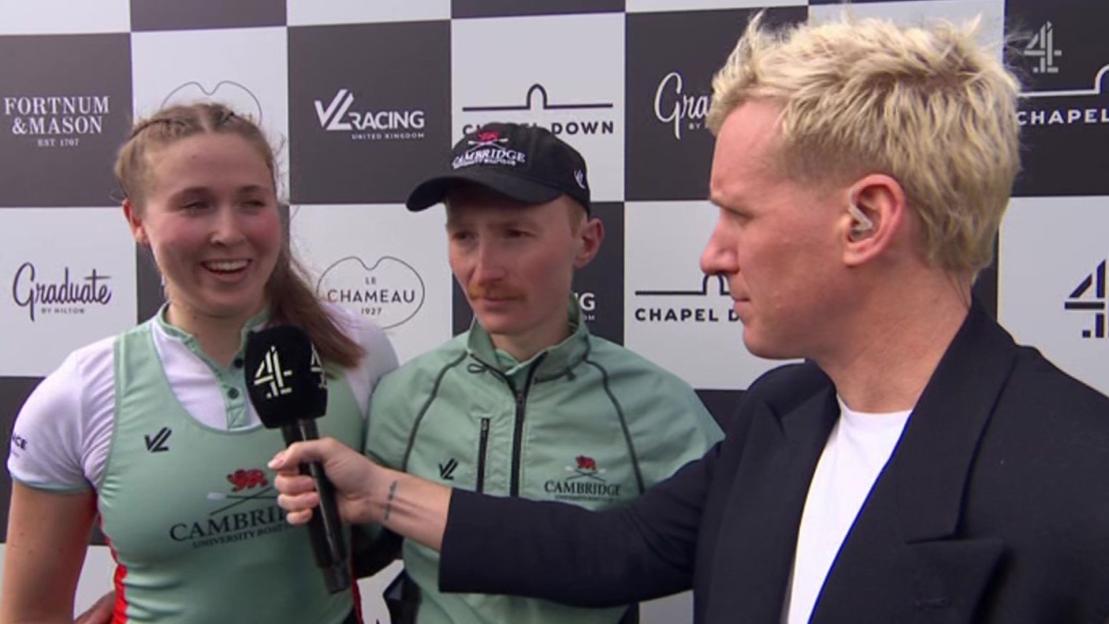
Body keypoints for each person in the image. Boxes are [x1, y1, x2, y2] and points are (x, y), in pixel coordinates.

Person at [271, 14, 1109, 624]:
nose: (711, 256)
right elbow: (609, 553)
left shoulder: (1081, 479)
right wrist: (377, 489)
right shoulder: (780, 417)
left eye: (737, 215)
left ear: (864, 221)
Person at [1, 102, 398, 624]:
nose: (229, 232)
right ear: (136, 221)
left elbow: (390, 539)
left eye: (251, 202)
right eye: (195, 206)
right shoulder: (78, 394)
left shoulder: (357, 349)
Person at [359, 121, 723, 624]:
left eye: (515, 234)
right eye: (464, 236)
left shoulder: (658, 405)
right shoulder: (405, 397)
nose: (484, 270)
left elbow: (733, 557)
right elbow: (356, 552)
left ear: (587, 241)